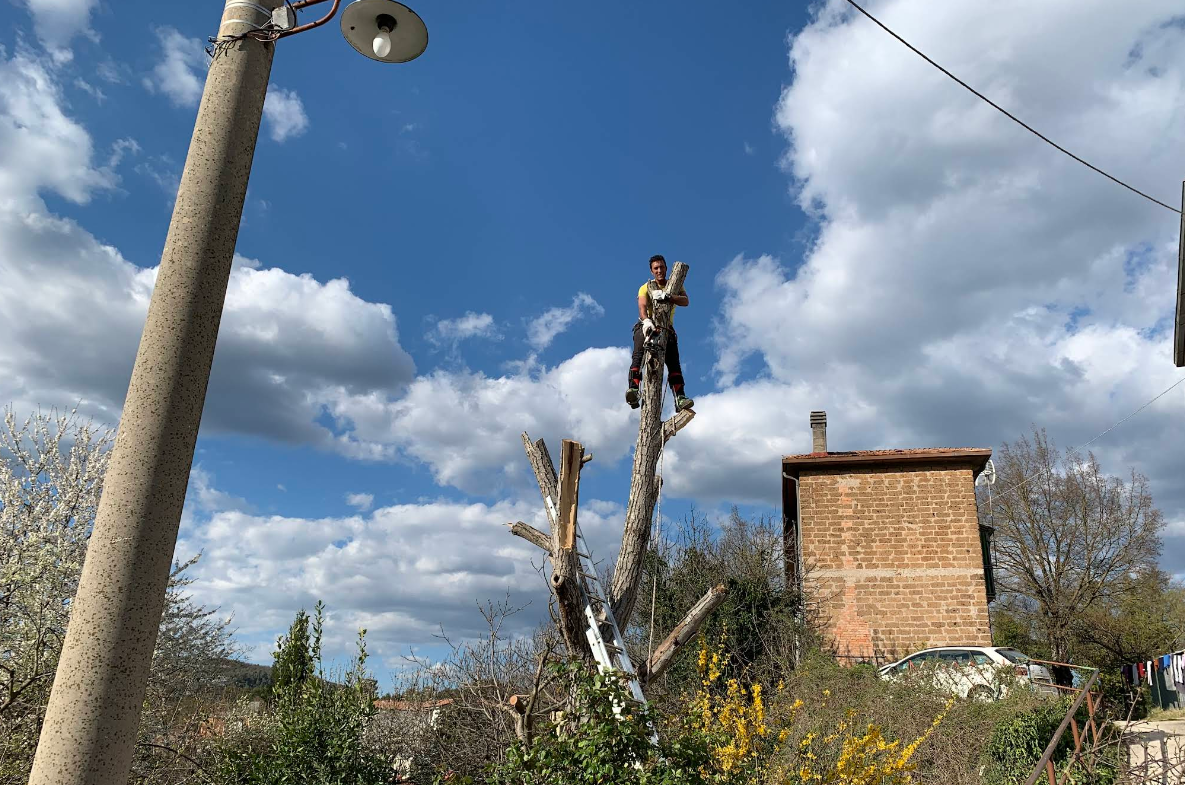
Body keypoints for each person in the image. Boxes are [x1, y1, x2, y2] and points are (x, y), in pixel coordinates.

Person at [626, 254, 694, 412]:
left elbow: (685, 301)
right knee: (638, 356)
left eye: (661, 267)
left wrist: (668, 296)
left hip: (667, 328)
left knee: (674, 363)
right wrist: (646, 321)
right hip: (647, 326)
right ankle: (634, 389)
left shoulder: (674, 286)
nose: (659, 270)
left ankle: (680, 397)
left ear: (666, 268)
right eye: (656, 268)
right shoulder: (645, 287)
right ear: (651, 271)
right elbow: (642, 307)